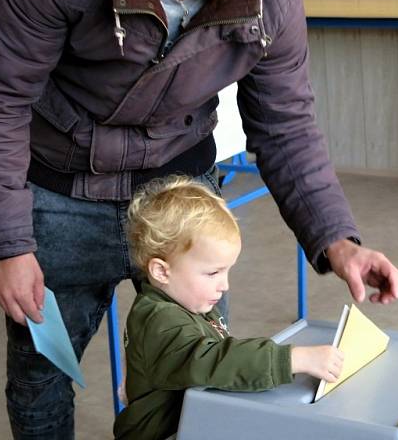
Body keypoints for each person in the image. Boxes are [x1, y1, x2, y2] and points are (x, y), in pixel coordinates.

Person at [0, 0, 398, 437]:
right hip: (60, 193)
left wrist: (338, 241)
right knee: (41, 375)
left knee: (199, 375)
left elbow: (286, 124)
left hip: (181, 191)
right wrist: (10, 244)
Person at [114, 176, 344, 440]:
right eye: (212, 273)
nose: (224, 285)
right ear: (161, 271)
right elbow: (214, 360)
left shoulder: (189, 300)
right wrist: (293, 359)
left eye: (226, 271)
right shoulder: (159, 318)